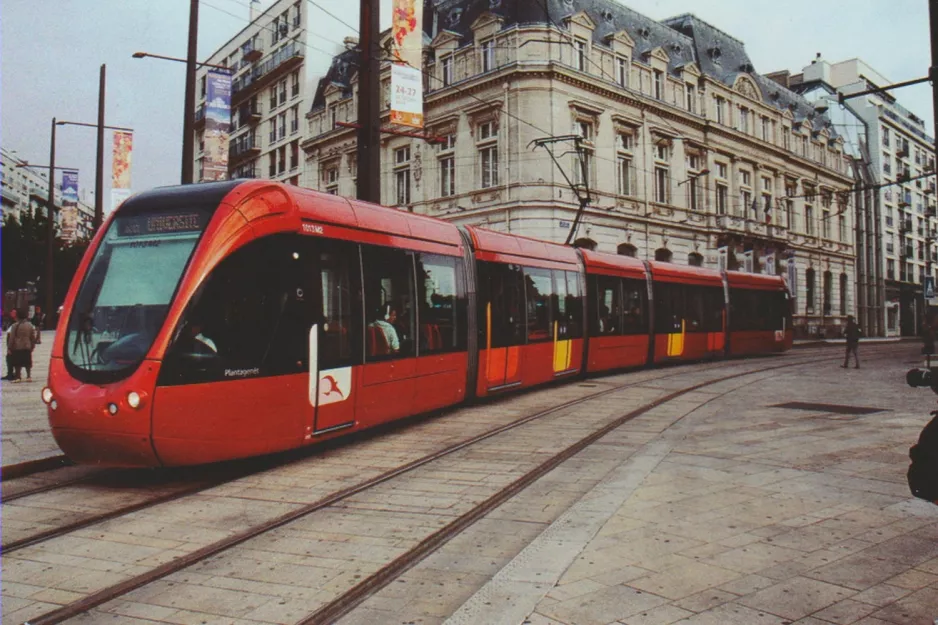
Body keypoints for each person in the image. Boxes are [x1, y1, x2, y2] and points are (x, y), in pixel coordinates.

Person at [6, 309, 38, 382]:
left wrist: (9, 347)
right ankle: (28, 376)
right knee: (27, 362)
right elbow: (32, 336)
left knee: (17, 363)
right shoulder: (30, 325)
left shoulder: (15, 325)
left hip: (17, 346)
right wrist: (32, 345)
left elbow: (12, 337)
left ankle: (18, 377)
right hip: (27, 346)